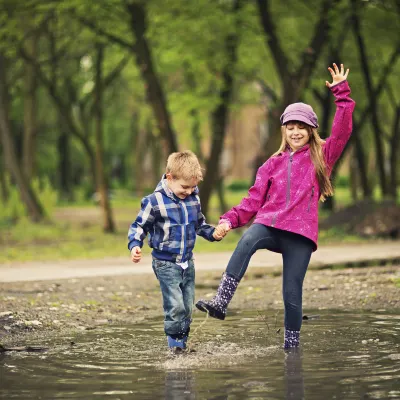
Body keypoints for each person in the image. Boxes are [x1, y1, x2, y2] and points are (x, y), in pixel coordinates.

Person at [195, 63, 356, 350]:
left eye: (301, 128)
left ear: (310, 130)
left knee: (291, 293)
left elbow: (342, 131)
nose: (295, 133)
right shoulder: (272, 163)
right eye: (290, 128)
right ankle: (220, 302)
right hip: (269, 225)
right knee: (247, 239)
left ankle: (291, 348)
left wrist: (341, 93)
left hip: (301, 235)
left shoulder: (322, 156)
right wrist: (228, 221)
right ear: (284, 131)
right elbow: (253, 200)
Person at [128, 150, 226, 354]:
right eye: (184, 187)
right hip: (165, 263)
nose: (189, 191)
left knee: (188, 307)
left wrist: (214, 233)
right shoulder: (154, 201)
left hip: (187, 262)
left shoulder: (193, 199)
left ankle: (183, 342)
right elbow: (139, 226)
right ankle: (175, 349)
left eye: (193, 187)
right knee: (175, 307)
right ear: (169, 177)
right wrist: (135, 244)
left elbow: (200, 225)